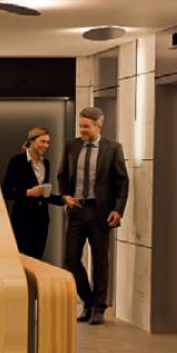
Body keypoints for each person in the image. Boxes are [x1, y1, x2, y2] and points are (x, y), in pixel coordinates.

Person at [57, 107, 129, 325]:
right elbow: (62, 174)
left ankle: (98, 307)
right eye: (80, 126)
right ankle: (88, 301)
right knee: (71, 258)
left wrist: (118, 209)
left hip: (101, 212)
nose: (82, 130)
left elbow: (122, 181)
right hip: (77, 210)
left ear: (98, 126)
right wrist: (65, 196)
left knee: (100, 260)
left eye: (86, 127)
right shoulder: (71, 145)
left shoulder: (113, 148)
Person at [1, 125, 64, 259]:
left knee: (37, 260)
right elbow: (6, 192)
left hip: (42, 220)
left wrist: (62, 200)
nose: (46, 146)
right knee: (23, 260)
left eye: (48, 142)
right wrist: (28, 192)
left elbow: (43, 195)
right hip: (23, 219)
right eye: (43, 141)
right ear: (31, 141)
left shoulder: (46, 163)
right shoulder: (17, 161)